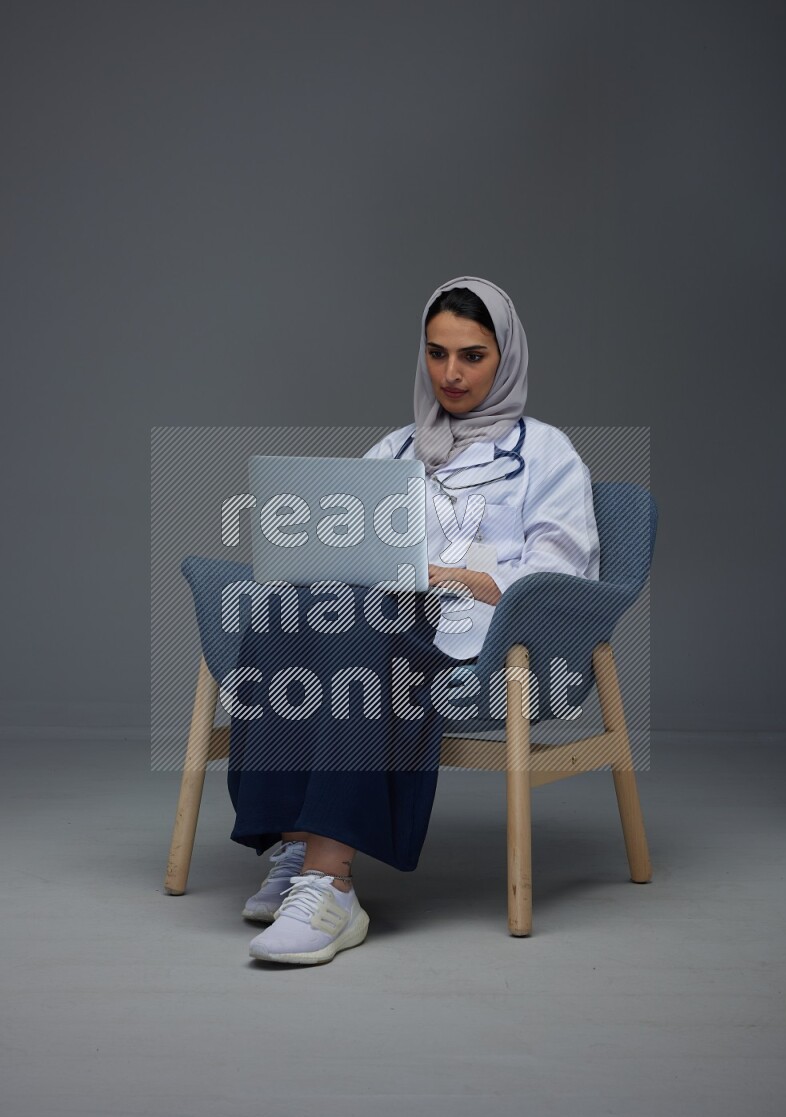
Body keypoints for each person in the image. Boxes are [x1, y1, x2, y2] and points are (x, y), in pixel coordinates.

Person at [227, 275, 600, 965]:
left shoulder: (548, 454)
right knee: (282, 609)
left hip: (482, 641)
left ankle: (328, 882)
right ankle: (294, 840)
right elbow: (344, 544)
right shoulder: (395, 450)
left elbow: (562, 576)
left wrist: (448, 577)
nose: (450, 373)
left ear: (506, 357)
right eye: (437, 353)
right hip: (387, 615)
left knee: (364, 631)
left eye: (472, 355)